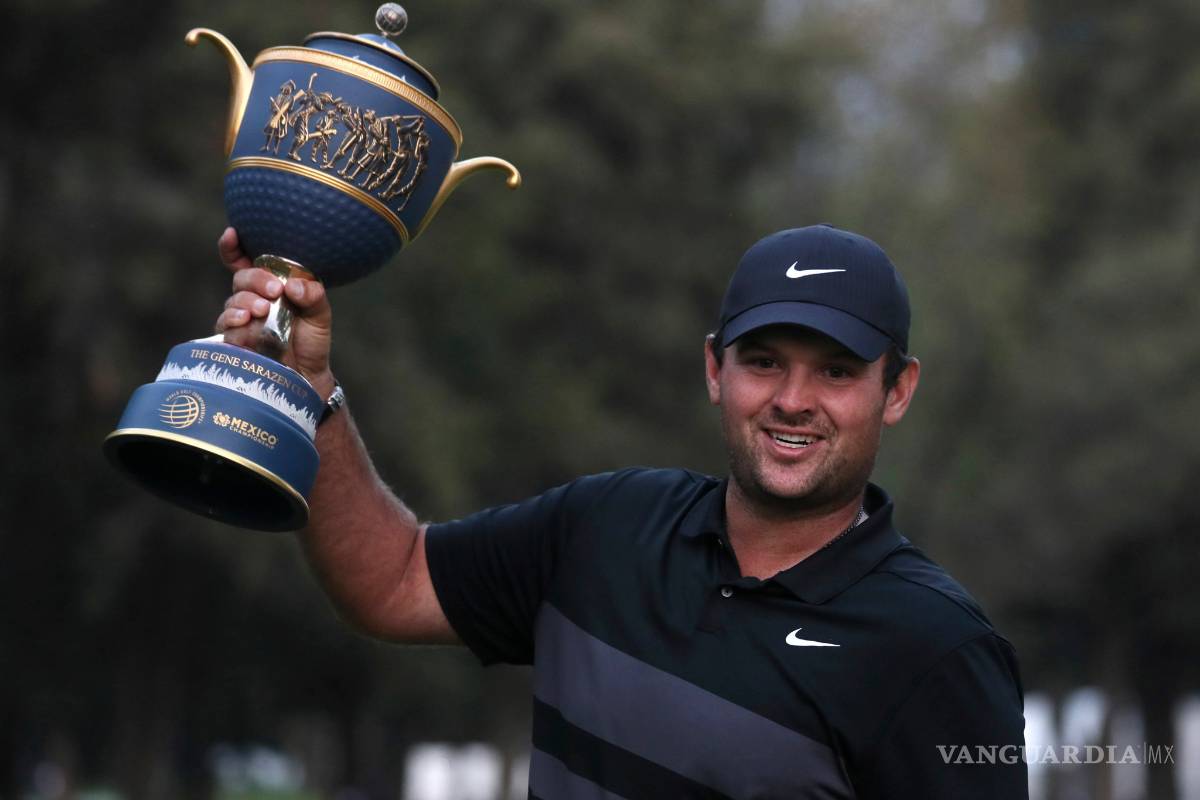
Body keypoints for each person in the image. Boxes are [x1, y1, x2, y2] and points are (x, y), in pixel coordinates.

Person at [216, 223, 1028, 799]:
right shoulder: (608, 526)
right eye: (763, 361)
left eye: (837, 372)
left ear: (898, 390)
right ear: (714, 369)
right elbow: (390, 580)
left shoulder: (938, 650)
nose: (792, 399)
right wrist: (307, 388)